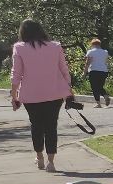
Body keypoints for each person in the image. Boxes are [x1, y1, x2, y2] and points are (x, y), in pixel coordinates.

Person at [9, 19, 74, 172]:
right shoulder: (55, 46)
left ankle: (39, 157)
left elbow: (16, 74)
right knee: (51, 126)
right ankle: (51, 162)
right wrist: (68, 89)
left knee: (36, 125)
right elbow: (63, 69)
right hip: (54, 93)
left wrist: (14, 96)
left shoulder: (19, 48)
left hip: (30, 95)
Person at [84, 39, 112, 108]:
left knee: (94, 87)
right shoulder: (105, 52)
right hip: (104, 71)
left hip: (94, 71)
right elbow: (105, 61)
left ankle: (98, 104)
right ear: (99, 44)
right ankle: (105, 96)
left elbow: (87, 63)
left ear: (93, 44)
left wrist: (84, 72)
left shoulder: (91, 52)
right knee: (100, 86)